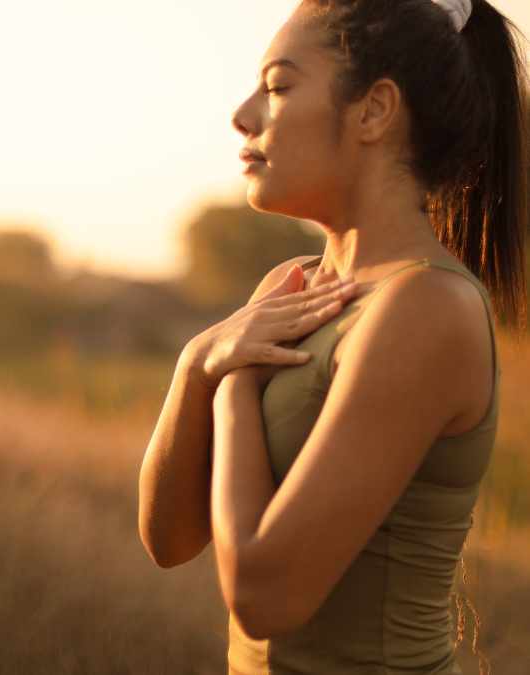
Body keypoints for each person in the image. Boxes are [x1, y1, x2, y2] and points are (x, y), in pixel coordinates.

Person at [139, 0, 528, 672]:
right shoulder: (287, 286)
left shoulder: (427, 305)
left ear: (374, 110)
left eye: (278, 86)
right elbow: (169, 539)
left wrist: (231, 382)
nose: (243, 114)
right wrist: (195, 362)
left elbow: (264, 595)